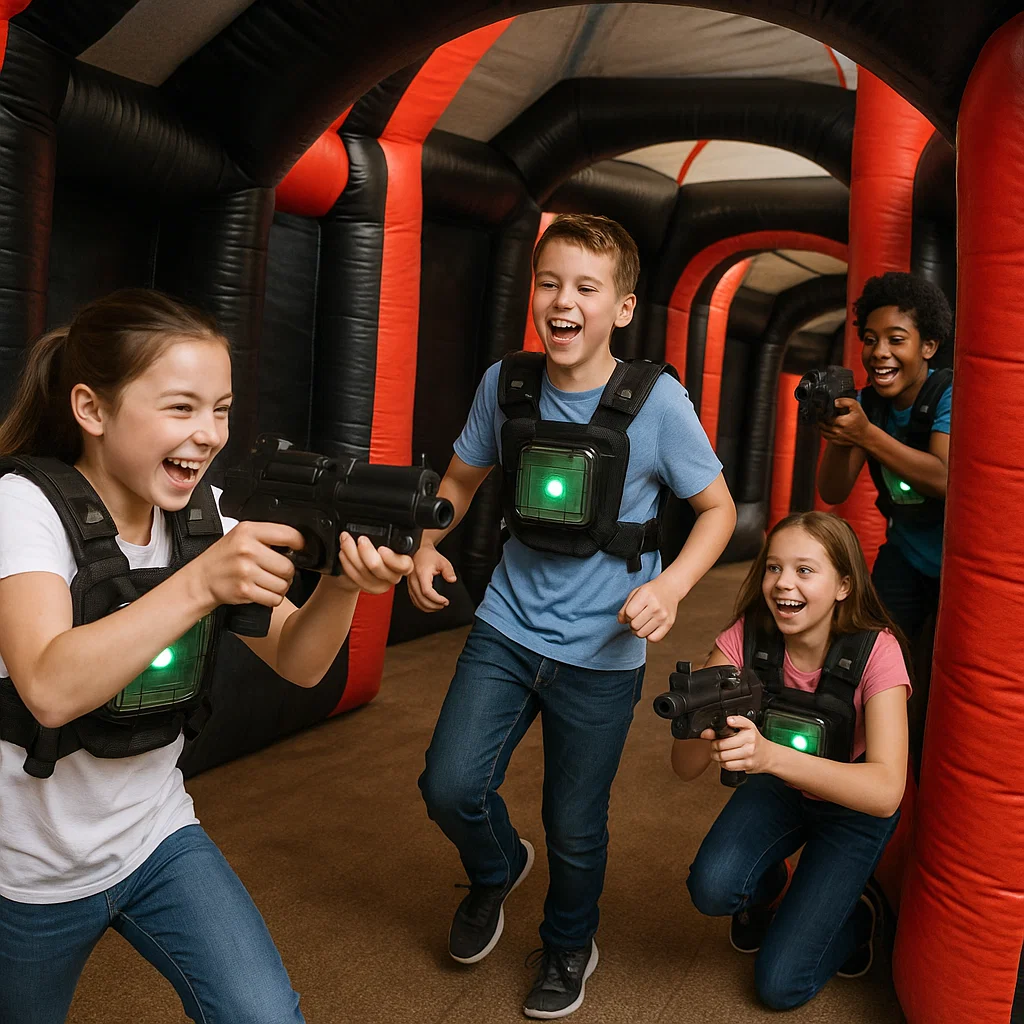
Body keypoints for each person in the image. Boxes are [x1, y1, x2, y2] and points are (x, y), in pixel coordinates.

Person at [0, 289, 413, 1024]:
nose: (208, 434)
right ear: (92, 411)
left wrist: (344, 586)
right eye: (181, 408)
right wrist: (200, 583)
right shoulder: (23, 507)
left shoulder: (206, 513)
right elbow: (49, 688)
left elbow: (299, 660)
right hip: (27, 872)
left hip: (154, 837)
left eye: (220, 409)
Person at [411, 214, 735, 1019]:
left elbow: (718, 509)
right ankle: (495, 869)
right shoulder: (507, 383)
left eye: (586, 288)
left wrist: (671, 589)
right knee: (449, 785)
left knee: (575, 826)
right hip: (507, 627)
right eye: (550, 283)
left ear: (621, 307)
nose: (564, 301)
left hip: (604, 652)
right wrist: (424, 543)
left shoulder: (657, 402)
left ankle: (566, 943)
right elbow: (461, 477)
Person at [672, 511, 910, 1011]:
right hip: (780, 788)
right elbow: (685, 765)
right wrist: (701, 716)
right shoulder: (745, 638)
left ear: (844, 585)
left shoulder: (878, 651)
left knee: (781, 987)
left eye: (805, 570)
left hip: (853, 810)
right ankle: (769, 886)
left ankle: (859, 916)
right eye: (773, 568)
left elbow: (887, 791)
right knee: (712, 889)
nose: (783, 584)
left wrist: (768, 755)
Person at [816, 271, 953, 647]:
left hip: (956, 563)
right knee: (875, 647)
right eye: (871, 340)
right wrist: (838, 434)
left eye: (896, 340)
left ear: (928, 346)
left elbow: (944, 478)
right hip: (904, 554)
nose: (879, 352)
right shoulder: (868, 406)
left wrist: (866, 434)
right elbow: (832, 490)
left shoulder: (947, 394)